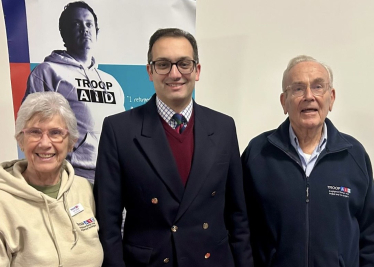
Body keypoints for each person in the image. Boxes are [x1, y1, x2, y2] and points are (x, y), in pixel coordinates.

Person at [94, 28, 253, 267]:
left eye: (184, 64)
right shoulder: (119, 130)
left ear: (197, 70)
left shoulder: (223, 127)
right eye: (163, 64)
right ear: (150, 71)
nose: (175, 73)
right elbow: (108, 223)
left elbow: (237, 215)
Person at [242, 55, 374, 266]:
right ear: (284, 102)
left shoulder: (354, 155)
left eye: (318, 87)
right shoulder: (258, 153)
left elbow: (369, 234)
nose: (309, 96)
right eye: (298, 89)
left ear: (331, 98)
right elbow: (240, 227)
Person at [23, 1, 125, 182]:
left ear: (96, 32)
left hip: (111, 175)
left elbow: (121, 132)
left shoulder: (112, 82)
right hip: (70, 176)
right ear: (64, 33)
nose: (84, 29)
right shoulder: (47, 72)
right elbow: (32, 130)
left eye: (88, 24)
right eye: (76, 24)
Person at [0, 92, 103, 266]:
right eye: (35, 132)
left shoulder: (85, 189)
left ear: (71, 142)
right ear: (20, 140)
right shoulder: (3, 202)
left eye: (55, 133)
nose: (45, 143)